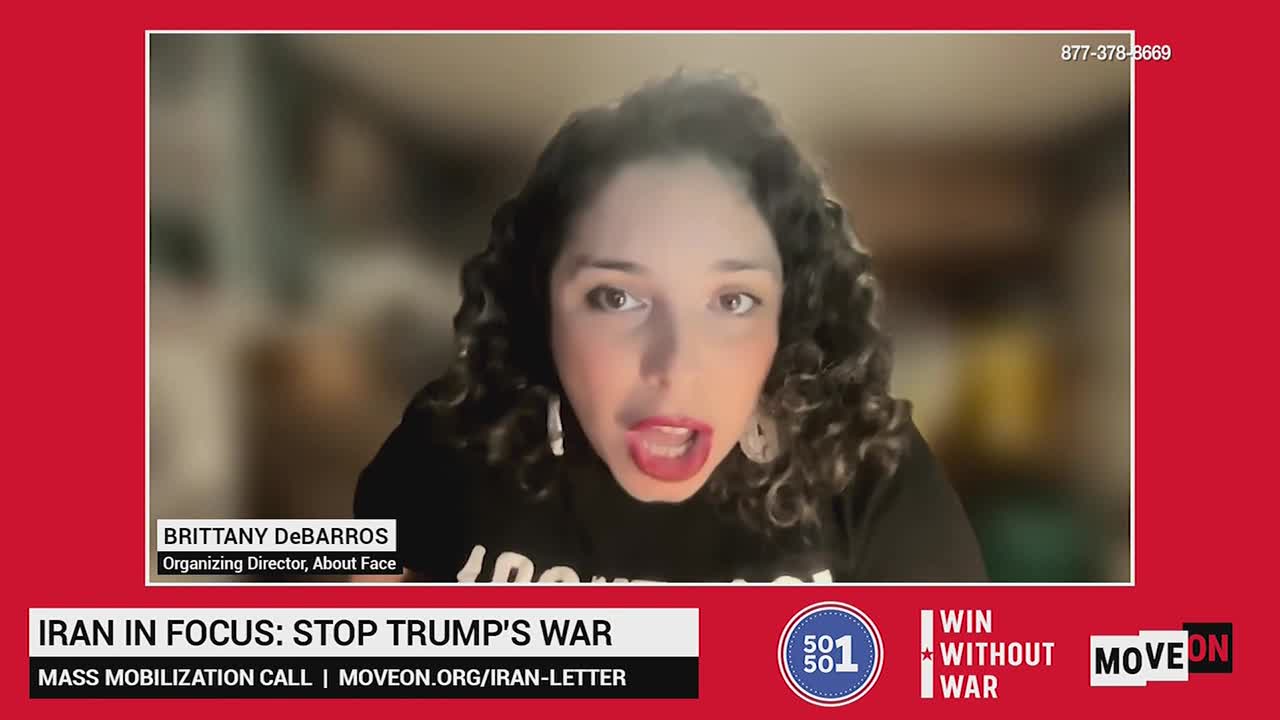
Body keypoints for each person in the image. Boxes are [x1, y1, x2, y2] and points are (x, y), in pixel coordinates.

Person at [354, 72, 986, 583]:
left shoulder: (873, 471)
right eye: (615, 296)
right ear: (540, 305)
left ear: (789, 316)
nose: (676, 365)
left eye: (733, 301)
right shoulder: (446, 437)